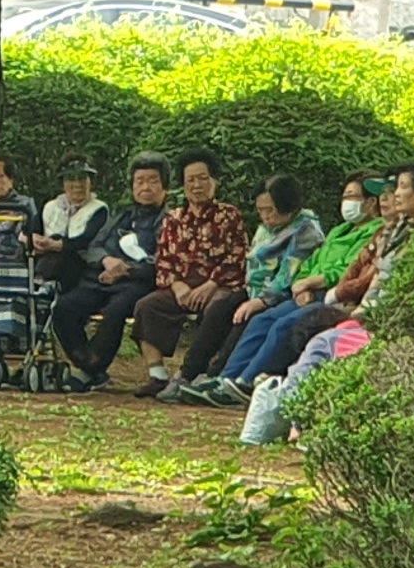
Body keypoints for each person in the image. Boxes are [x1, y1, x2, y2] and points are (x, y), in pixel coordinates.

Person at [184, 159, 414, 406]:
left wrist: (329, 289)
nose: (390, 198)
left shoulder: (399, 231)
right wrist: (302, 283)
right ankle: (227, 379)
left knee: (285, 325)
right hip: (313, 292)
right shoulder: (354, 230)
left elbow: (360, 274)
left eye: (398, 189)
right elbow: (320, 262)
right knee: (262, 320)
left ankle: (248, 382)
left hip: (341, 299)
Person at [155, 173, 322, 400]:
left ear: (288, 207)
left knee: (243, 319)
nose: (265, 216)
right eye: (261, 210)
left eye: (270, 210)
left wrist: (259, 301)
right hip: (252, 288)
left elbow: (287, 275)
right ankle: (187, 373)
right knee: (219, 310)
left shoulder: (305, 231)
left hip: (280, 294)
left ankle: (218, 378)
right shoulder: (266, 228)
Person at [126, 153, 249, 399]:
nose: (197, 185)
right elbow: (164, 260)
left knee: (218, 309)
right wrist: (178, 286)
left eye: (203, 178)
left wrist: (211, 285)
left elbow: (237, 257)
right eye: (190, 180)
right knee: (146, 306)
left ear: (214, 181)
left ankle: (197, 373)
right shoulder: (174, 219)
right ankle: (157, 376)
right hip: (182, 285)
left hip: (219, 284)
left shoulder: (229, 215)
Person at [47, 156, 170, 391]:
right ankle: (89, 363)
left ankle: (89, 370)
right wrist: (106, 260)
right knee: (64, 308)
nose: (145, 187)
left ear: (165, 186)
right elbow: (94, 246)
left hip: (137, 282)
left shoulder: (169, 220)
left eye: (152, 181)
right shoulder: (121, 214)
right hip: (101, 277)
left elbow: (164, 259)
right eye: (139, 181)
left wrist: (126, 270)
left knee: (115, 311)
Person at [29, 162, 108, 289]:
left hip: (81, 266)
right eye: (71, 178)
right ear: (63, 184)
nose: (77, 184)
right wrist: (36, 241)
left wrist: (56, 244)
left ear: (91, 182)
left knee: (61, 250)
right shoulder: (49, 206)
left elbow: (87, 240)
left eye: (82, 178)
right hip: (44, 259)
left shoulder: (99, 209)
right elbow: (31, 231)